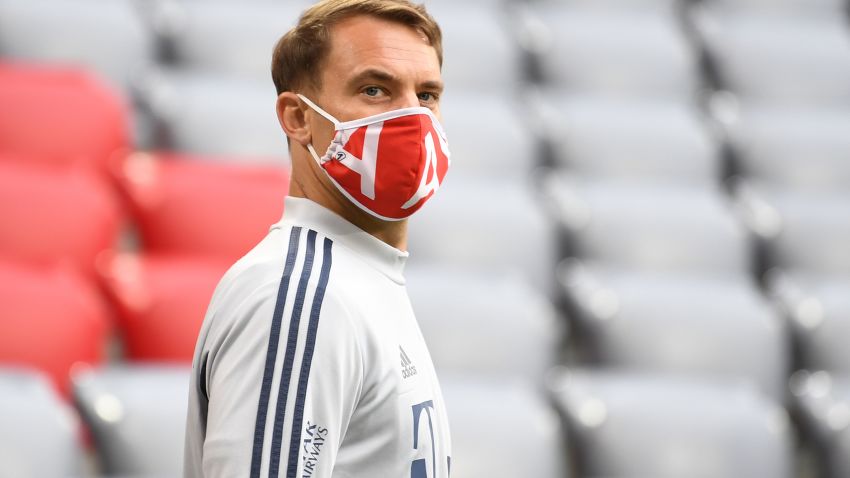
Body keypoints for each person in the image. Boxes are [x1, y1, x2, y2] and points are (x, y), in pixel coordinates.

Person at [183, 1, 452, 477]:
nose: (413, 117)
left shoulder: (360, 277)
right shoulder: (301, 296)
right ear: (297, 117)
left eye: (427, 95)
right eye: (375, 89)